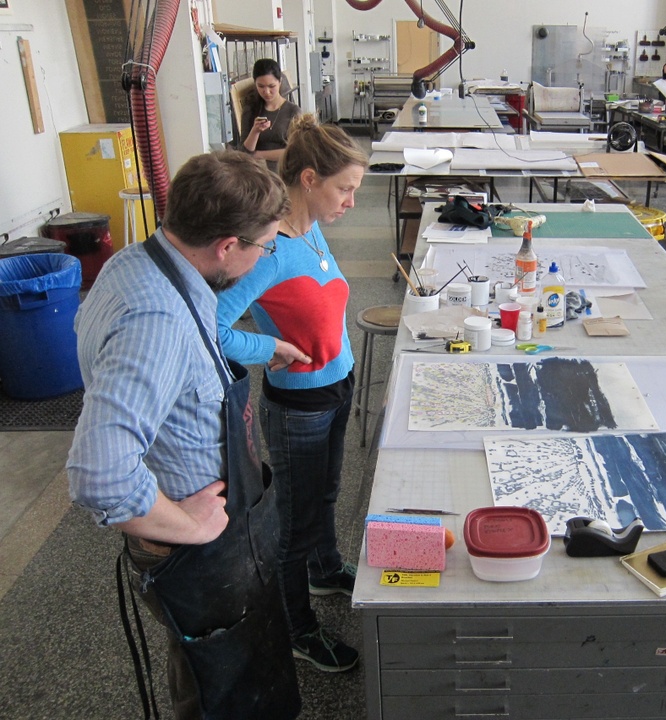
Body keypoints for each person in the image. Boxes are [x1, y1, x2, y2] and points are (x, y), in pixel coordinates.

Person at [67, 151, 301, 718]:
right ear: (226, 246)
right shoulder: (157, 319)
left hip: (215, 526)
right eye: (263, 246)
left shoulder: (139, 263)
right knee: (216, 683)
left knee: (219, 662)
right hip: (194, 545)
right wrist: (189, 525)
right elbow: (100, 474)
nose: (263, 256)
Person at [217, 116, 367, 674]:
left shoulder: (312, 228)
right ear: (308, 179)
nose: (351, 201)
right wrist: (268, 349)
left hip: (337, 383)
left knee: (326, 493)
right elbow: (213, 324)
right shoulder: (271, 249)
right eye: (344, 189)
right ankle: (297, 628)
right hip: (299, 403)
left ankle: (325, 569)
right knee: (294, 524)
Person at [241, 58, 302, 173]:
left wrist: (259, 154)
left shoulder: (292, 111)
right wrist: (255, 131)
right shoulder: (250, 110)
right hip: (257, 174)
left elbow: (295, 152)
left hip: (284, 174)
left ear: (280, 82)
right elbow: (244, 153)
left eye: (271, 86)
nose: (267, 92)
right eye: (261, 86)